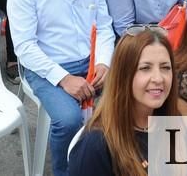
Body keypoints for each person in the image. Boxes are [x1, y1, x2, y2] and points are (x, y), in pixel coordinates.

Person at [8, 0, 115, 176]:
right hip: (47, 67)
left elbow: (103, 27)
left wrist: (103, 62)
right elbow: (24, 48)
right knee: (68, 121)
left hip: (90, 61)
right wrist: (64, 78)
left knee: (133, 99)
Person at [68, 27, 178, 176]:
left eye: (165, 68)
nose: (158, 78)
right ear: (123, 75)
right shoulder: (96, 145)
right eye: (145, 68)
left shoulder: (172, 124)